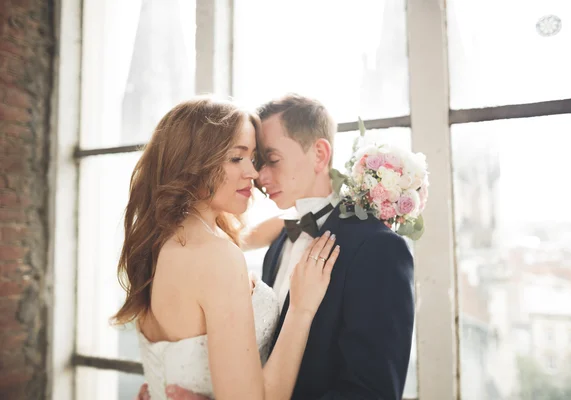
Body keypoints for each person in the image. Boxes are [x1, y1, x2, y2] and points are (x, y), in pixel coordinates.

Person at [152, 93, 415, 400]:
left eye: (271, 160)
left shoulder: (377, 249)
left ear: (319, 153)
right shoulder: (280, 241)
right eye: (255, 161)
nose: (259, 177)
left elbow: (373, 393)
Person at [114, 96, 340, 400]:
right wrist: (301, 309)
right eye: (237, 158)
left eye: (255, 158)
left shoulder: (157, 244)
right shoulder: (216, 256)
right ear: (193, 163)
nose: (254, 173)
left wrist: (331, 204)